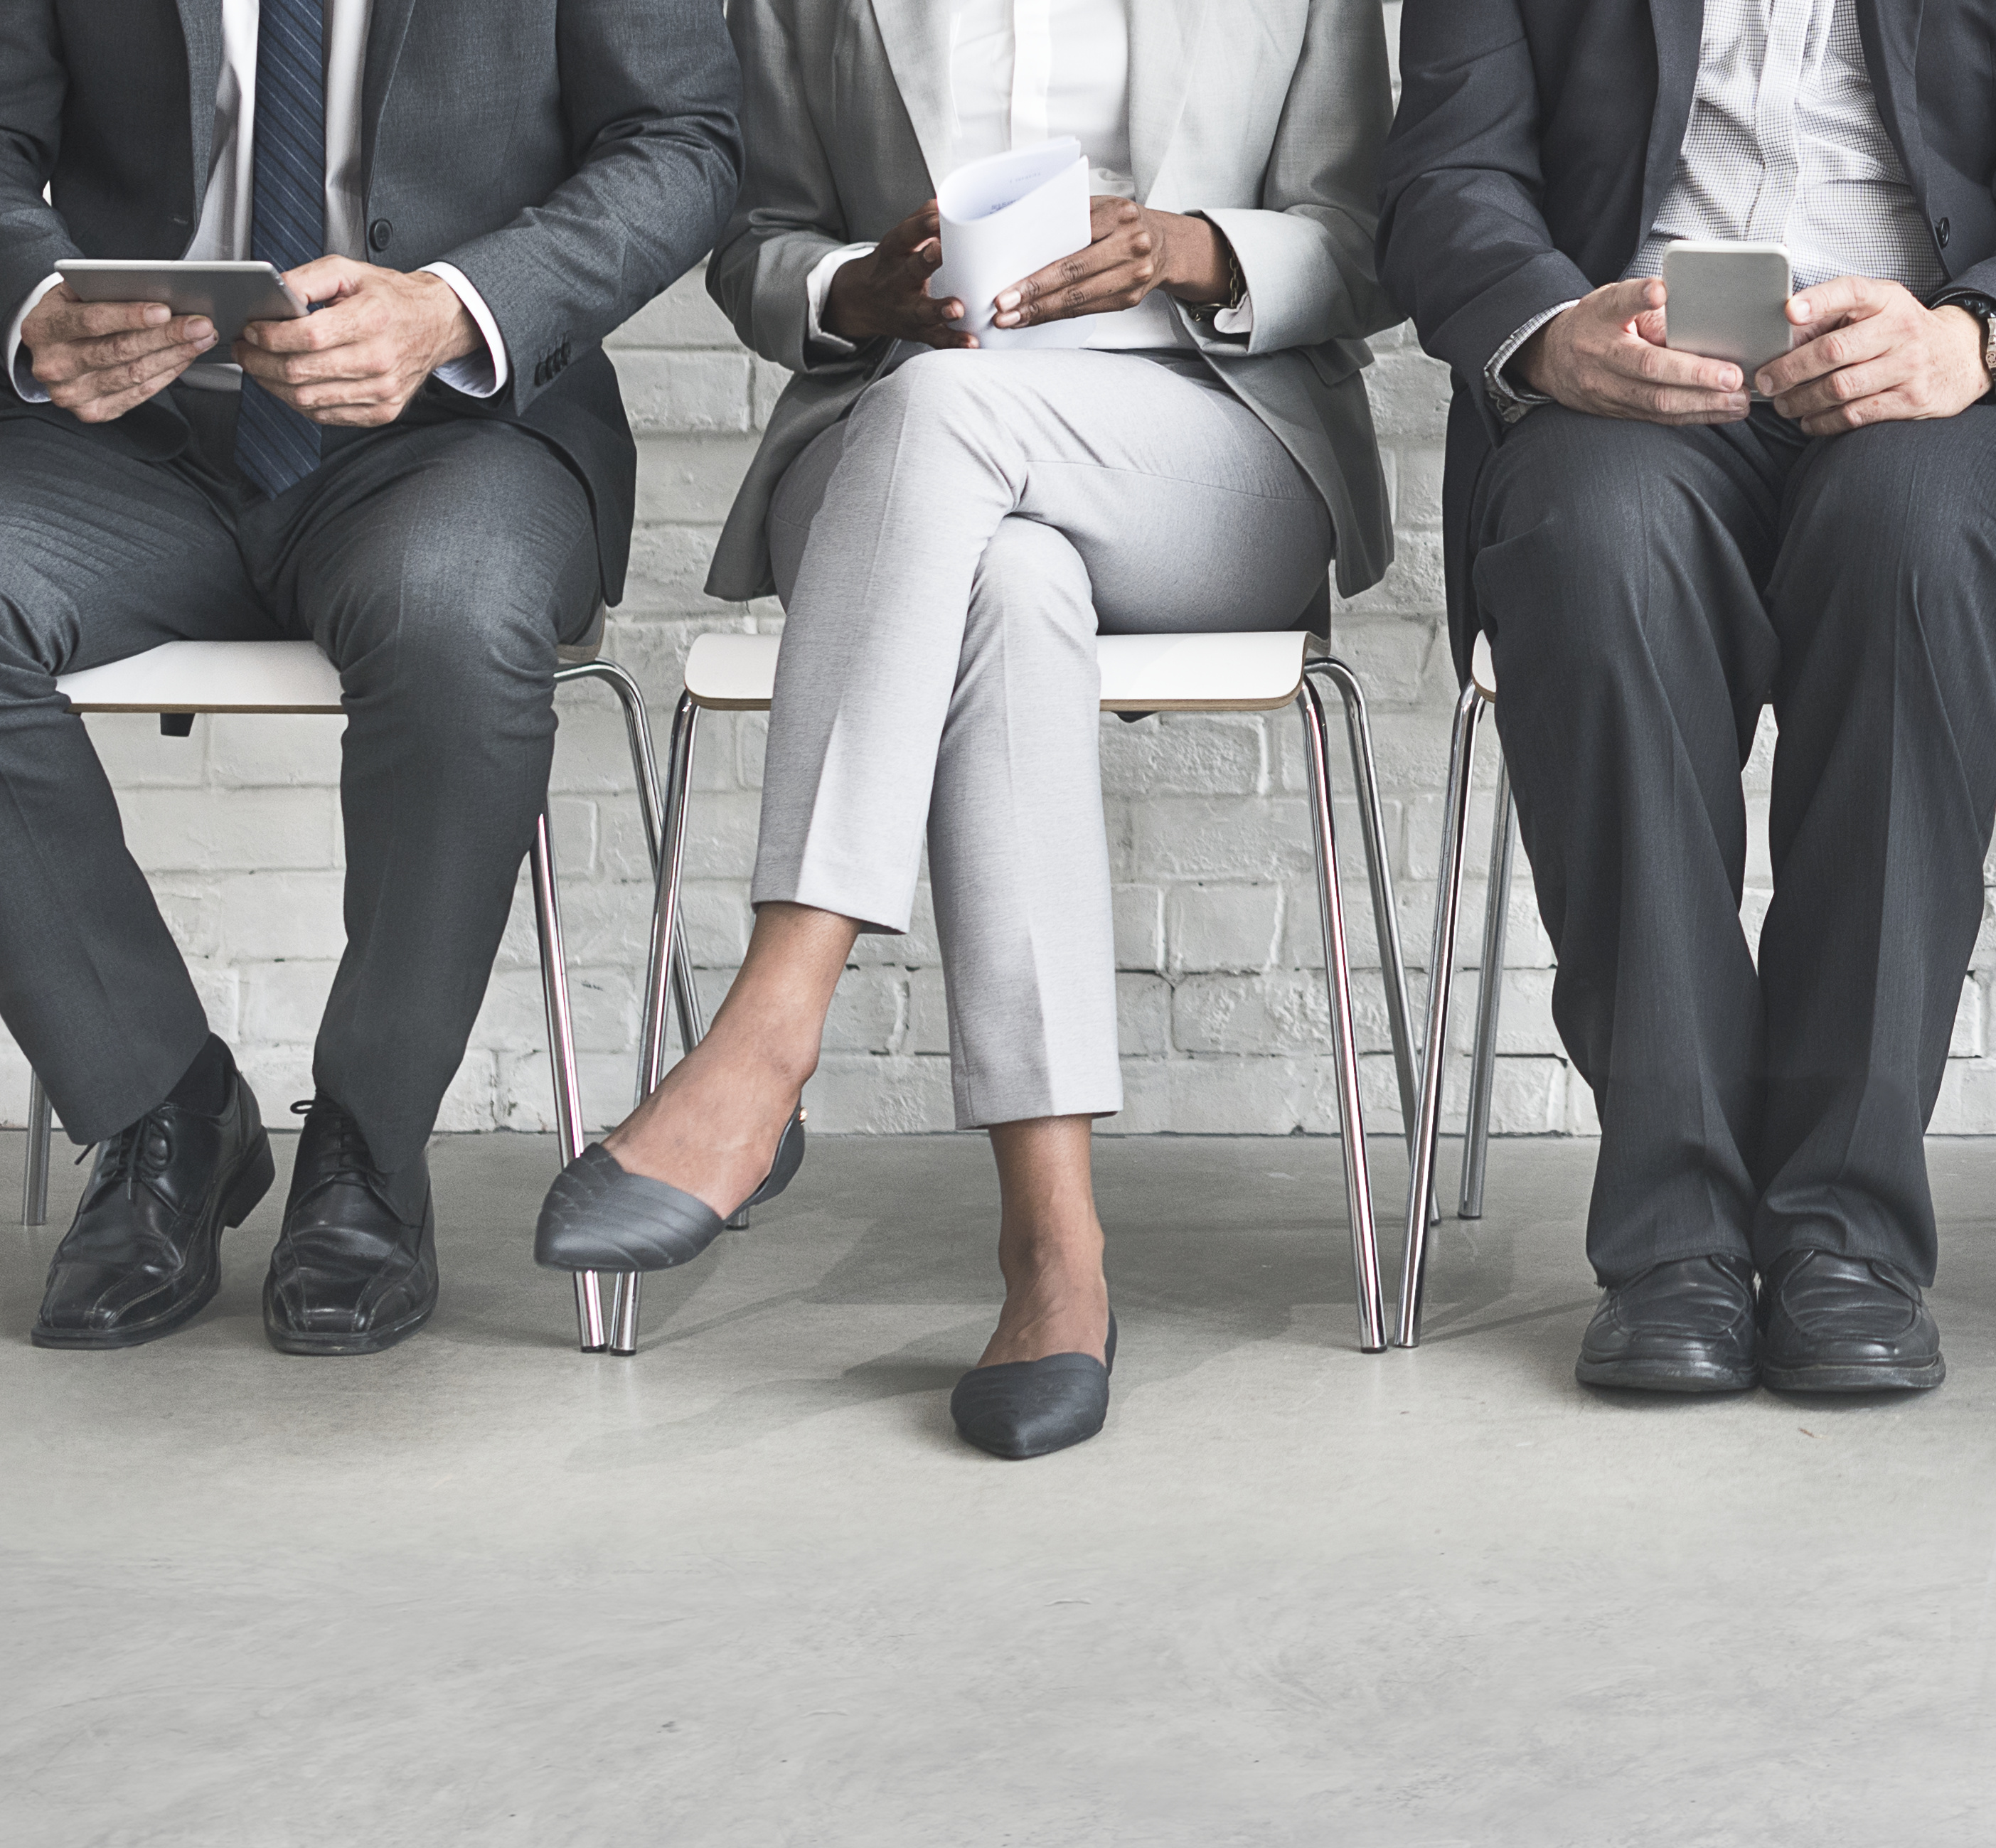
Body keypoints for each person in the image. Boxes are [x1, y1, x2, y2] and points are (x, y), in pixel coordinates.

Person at [533, 0, 1397, 1459]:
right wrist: (856, 294)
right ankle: (1053, 1250)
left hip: (1207, 436)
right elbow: (758, 247)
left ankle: (764, 1035)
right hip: (900, 461)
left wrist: (1192, 246)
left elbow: (1371, 238)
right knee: (1003, 567)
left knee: (953, 422)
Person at [1375, 1, 1996, 1395]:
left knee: (1909, 550)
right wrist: (1547, 330)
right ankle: (1672, 1241)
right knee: (1596, 551)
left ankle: (1844, 1236)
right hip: (1628, 381)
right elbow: (1448, 173)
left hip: (1942, 383)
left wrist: (1975, 336)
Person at [1, 1, 740, 1356]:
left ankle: (369, 1146)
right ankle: (162, 1109)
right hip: (135, 439)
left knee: (454, 619)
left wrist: (459, 305)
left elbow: (682, 137)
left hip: (454, 429)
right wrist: (41, 299)